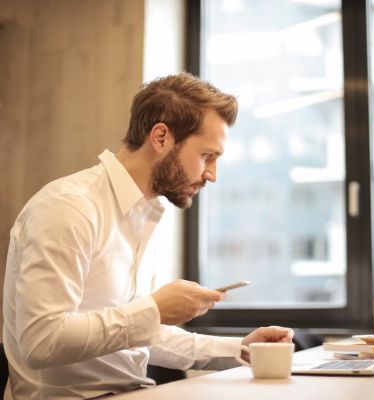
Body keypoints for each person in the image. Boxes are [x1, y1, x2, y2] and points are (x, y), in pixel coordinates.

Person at [3, 72, 293, 399]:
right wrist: (153, 309)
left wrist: (238, 349)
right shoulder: (68, 208)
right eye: (206, 156)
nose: (212, 175)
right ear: (160, 138)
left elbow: (135, 334)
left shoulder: (143, 214)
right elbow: (41, 341)